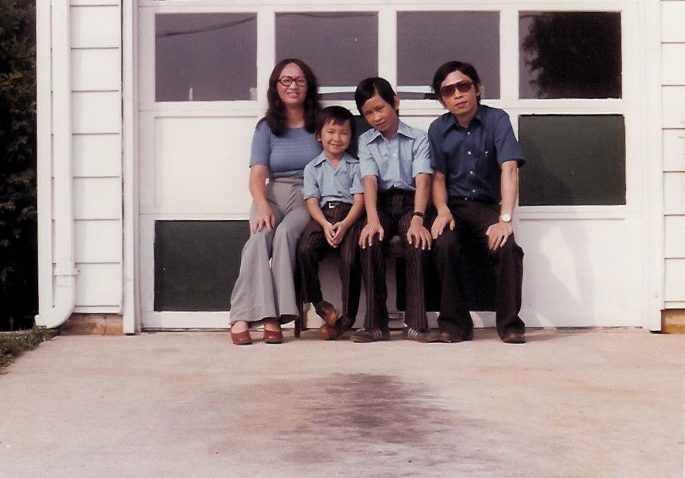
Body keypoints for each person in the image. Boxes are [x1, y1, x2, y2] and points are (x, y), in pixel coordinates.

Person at [428, 60, 526, 344]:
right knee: (444, 244)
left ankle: (509, 325)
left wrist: (504, 219)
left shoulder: (497, 120)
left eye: (463, 86)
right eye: (448, 91)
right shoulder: (438, 129)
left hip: (486, 207)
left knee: (508, 248)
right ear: (441, 99)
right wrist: (442, 209)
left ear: (478, 89)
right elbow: (438, 175)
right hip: (454, 207)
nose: (457, 94)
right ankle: (455, 326)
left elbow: (509, 168)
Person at [229, 58, 322, 345]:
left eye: (299, 80)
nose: (293, 86)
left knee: (284, 235)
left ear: (308, 86)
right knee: (259, 236)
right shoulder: (266, 127)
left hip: (308, 196)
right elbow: (257, 174)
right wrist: (263, 204)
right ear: (276, 87)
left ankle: (276, 316)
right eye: (286, 80)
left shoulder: (320, 123)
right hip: (272, 193)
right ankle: (242, 315)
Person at [352, 77, 442, 343]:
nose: (376, 117)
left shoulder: (418, 138)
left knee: (417, 239)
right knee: (370, 240)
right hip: (380, 203)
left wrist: (418, 218)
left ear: (395, 102)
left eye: (380, 108)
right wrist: (371, 219)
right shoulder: (366, 141)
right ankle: (375, 325)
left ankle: (415, 324)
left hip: (411, 203)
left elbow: (423, 179)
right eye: (368, 113)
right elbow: (369, 179)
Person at [297, 106, 365, 340]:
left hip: (350, 216)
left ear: (351, 137)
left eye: (344, 133)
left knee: (350, 258)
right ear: (319, 136)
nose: (337, 138)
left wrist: (344, 225)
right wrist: (325, 225)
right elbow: (312, 202)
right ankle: (320, 305)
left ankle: (348, 317)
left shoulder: (356, 166)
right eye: (331, 132)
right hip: (323, 215)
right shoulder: (312, 168)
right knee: (305, 250)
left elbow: (360, 201)